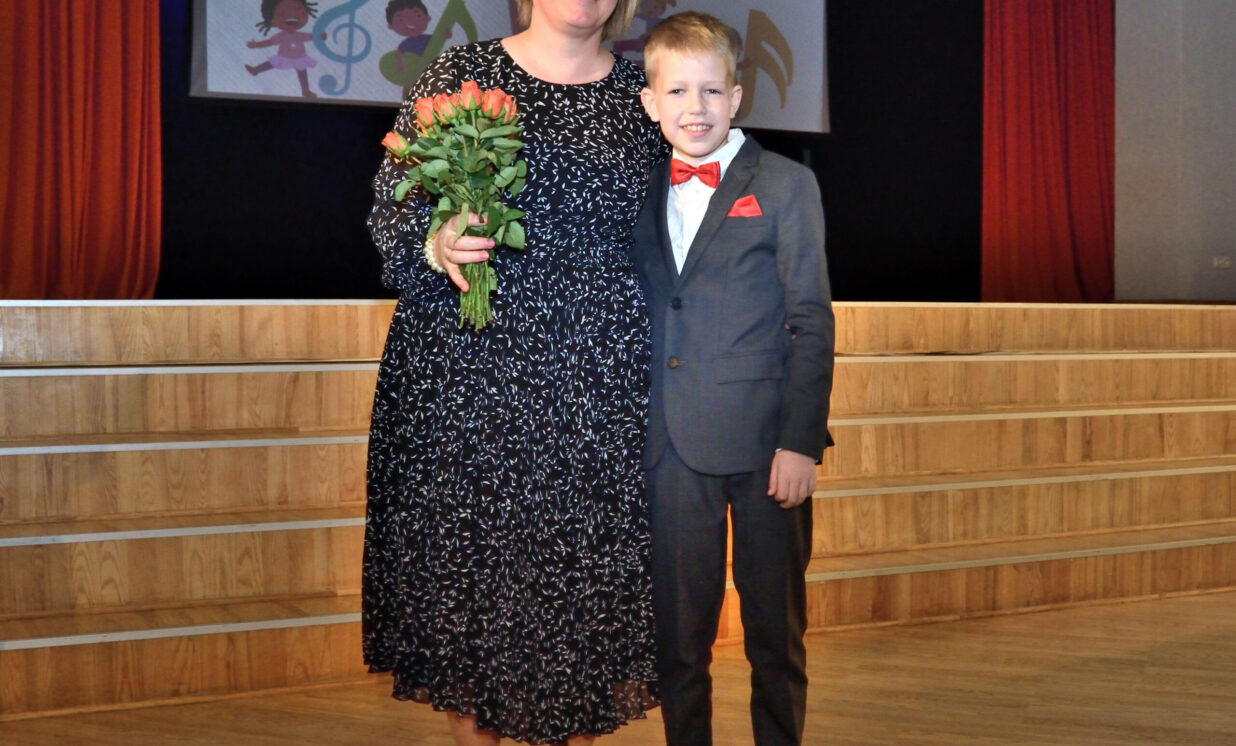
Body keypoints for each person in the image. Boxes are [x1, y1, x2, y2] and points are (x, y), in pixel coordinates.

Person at [362, 1, 666, 744]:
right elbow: (393, 206)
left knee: (585, 583)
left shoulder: (648, 96)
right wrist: (436, 242)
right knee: (470, 577)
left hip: (598, 377)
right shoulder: (463, 72)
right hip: (469, 371)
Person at [630, 12, 835, 746]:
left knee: (774, 638)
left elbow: (811, 320)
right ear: (650, 101)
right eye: (677, 91)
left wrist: (800, 442)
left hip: (766, 449)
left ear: (737, 97)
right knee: (679, 643)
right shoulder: (635, 190)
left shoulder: (785, 184)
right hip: (670, 450)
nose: (696, 107)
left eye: (712, 91)